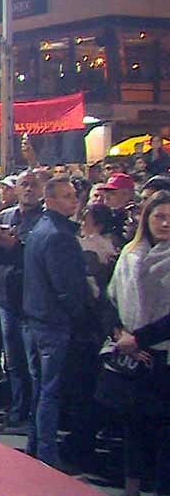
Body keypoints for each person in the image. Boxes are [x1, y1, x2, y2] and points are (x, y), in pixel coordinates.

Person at [21, 175, 87, 468]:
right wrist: (78, 312)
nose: (74, 201)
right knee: (49, 389)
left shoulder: (40, 228)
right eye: (67, 196)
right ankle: (47, 454)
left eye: (74, 195)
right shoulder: (59, 235)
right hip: (51, 321)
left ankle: (36, 444)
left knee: (40, 387)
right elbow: (66, 286)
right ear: (50, 201)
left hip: (36, 318)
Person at [108, 190, 170, 496]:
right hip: (131, 358)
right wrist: (120, 335)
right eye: (159, 216)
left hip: (163, 357)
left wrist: (140, 339)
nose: (165, 223)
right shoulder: (130, 255)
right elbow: (111, 299)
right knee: (133, 429)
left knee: (164, 435)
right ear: (147, 219)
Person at [0, 171, 43, 436]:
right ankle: (17, 409)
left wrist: (17, 245)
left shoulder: (44, 220)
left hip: (32, 301)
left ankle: (34, 414)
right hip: (5, 297)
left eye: (33, 185)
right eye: (24, 185)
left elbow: (39, 257)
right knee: (12, 360)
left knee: (33, 363)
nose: (29, 190)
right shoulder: (4, 217)